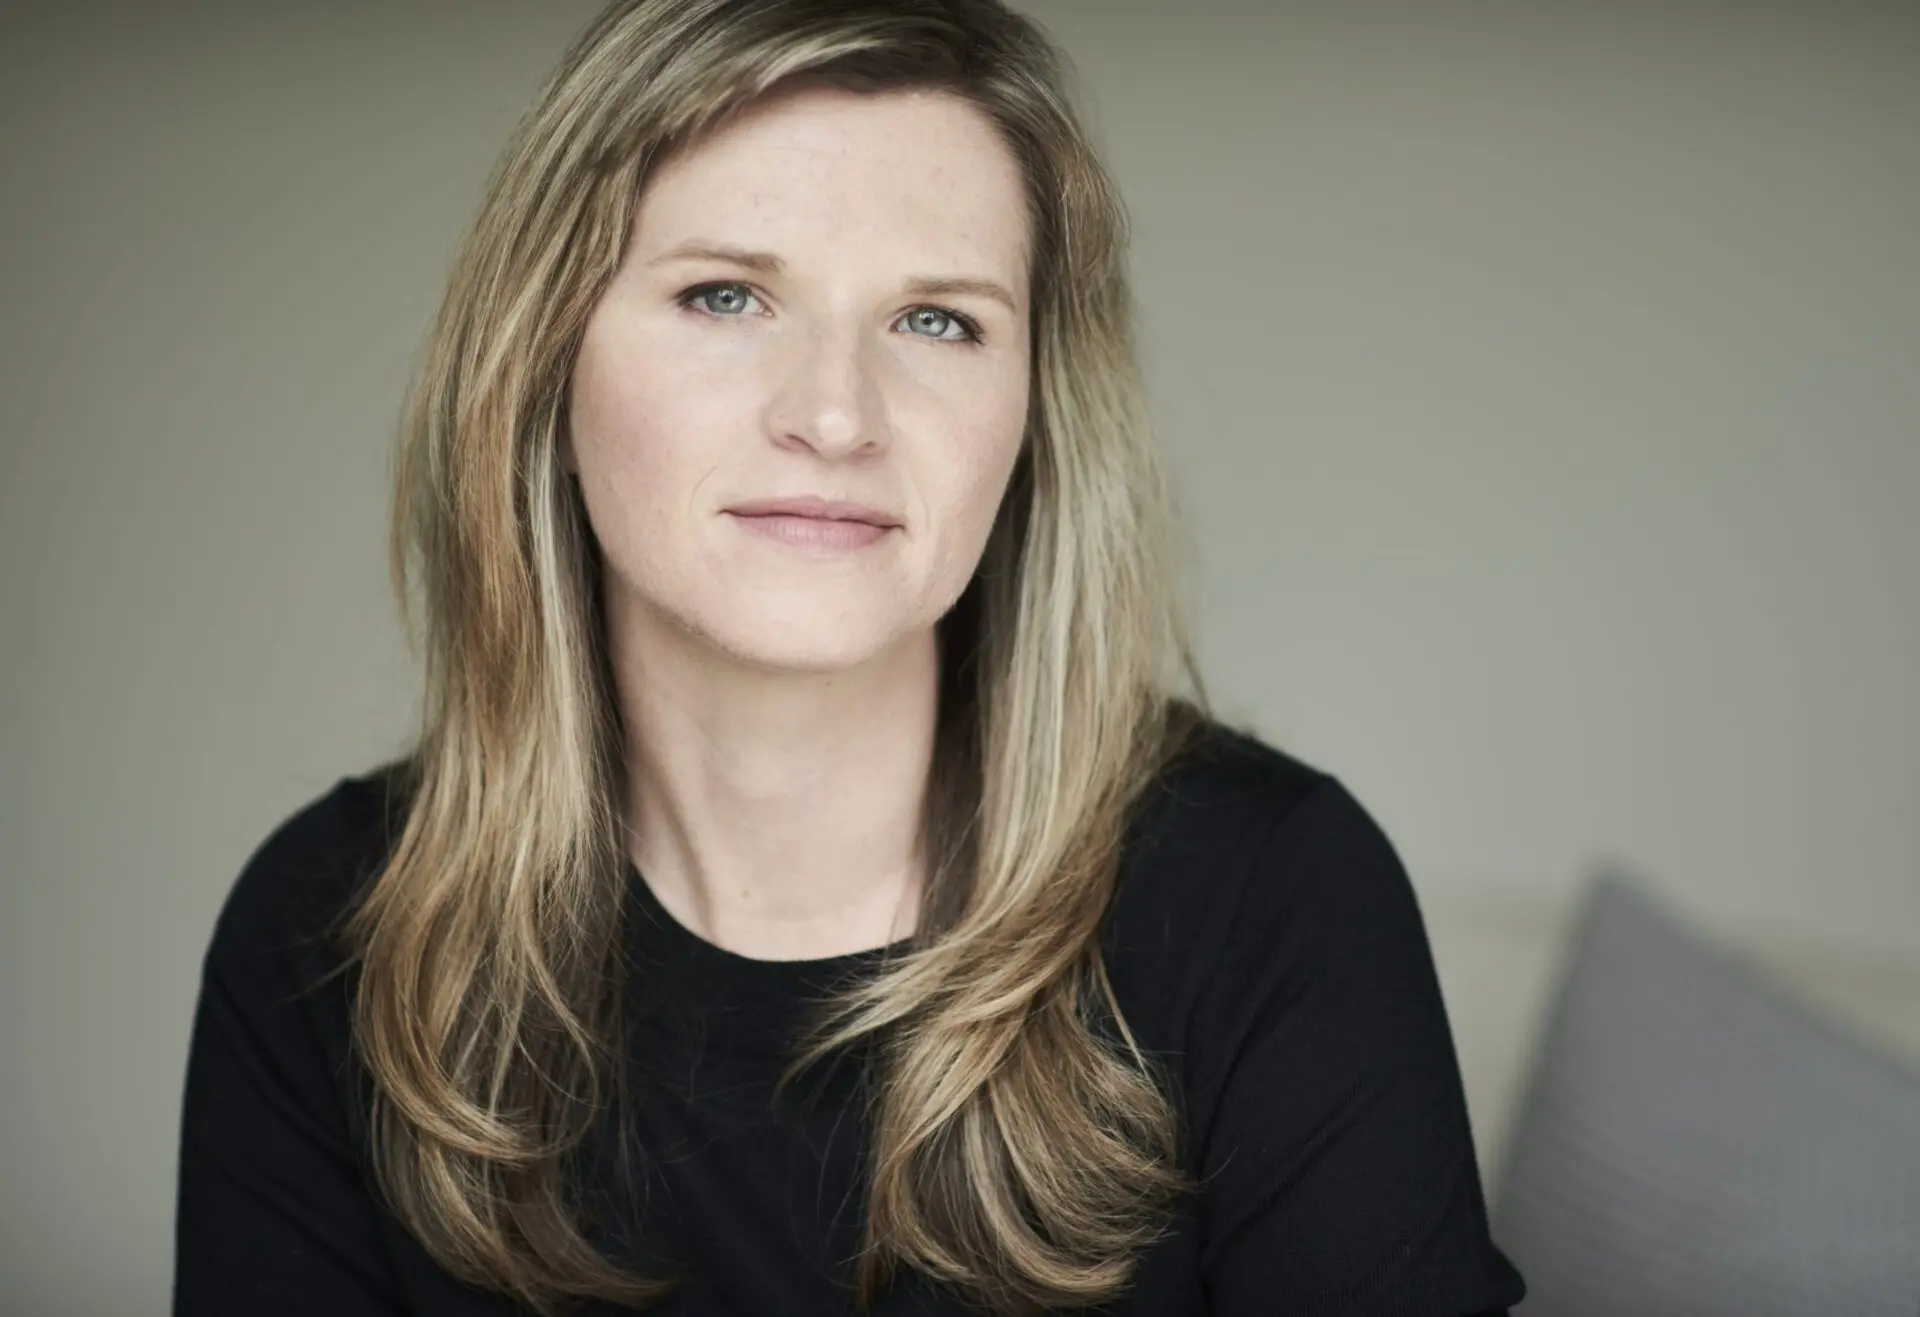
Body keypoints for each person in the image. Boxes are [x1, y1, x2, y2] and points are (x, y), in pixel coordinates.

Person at [172, 1, 1528, 1313]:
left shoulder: (1273, 890)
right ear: (545, 368)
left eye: (937, 319)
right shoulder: (328, 934)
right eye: (725, 295)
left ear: (1032, 417)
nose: (835, 414)